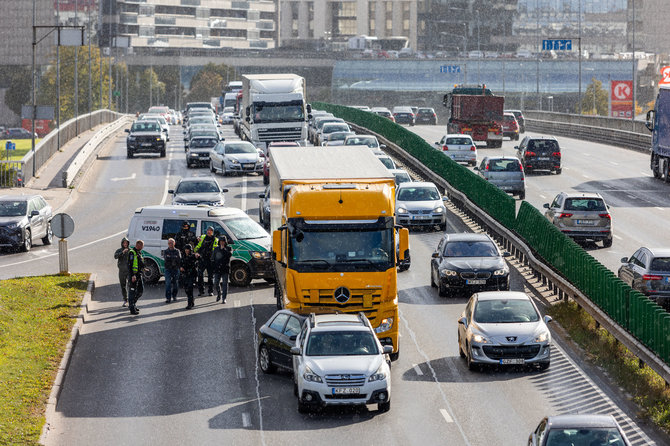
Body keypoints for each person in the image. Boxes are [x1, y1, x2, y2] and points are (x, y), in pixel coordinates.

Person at [195, 226, 218, 296]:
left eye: (211, 230)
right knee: (200, 275)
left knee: (210, 276)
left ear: (212, 232)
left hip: (210, 260)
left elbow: (215, 250)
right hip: (202, 259)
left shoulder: (215, 239)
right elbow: (197, 242)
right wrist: (196, 252)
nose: (209, 231)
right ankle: (201, 291)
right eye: (208, 230)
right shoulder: (203, 237)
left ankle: (210, 291)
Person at [212, 236, 232, 304]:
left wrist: (224, 249)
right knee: (216, 283)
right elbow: (213, 258)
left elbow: (229, 255)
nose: (222, 243)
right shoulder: (216, 249)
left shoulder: (228, 248)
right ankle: (219, 293)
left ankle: (224, 298)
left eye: (223, 241)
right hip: (217, 268)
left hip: (225, 268)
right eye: (221, 241)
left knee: (225, 284)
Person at [127, 240, 146, 315]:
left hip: (139, 275)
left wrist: (144, 268)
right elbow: (129, 265)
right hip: (133, 276)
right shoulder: (132, 252)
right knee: (132, 292)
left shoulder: (139, 252)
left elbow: (140, 263)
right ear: (138, 245)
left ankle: (133, 304)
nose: (142, 247)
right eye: (142, 246)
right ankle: (132, 309)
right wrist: (132, 275)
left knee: (140, 291)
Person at [162, 238, 181, 303]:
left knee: (175, 283)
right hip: (168, 269)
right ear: (168, 244)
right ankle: (168, 298)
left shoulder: (177, 251)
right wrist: (173, 258)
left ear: (174, 243)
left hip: (175, 269)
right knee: (168, 284)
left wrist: (171, 257)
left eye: (172, 243)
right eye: (169, 243)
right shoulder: (165, 251)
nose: (170, 244)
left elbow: (179, 259)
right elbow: (166, 259)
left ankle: (174, 296)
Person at [113, 237, 130, 307]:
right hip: (122, 271)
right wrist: (122, 252)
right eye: (124, 243)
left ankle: (130, 299)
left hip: (129, 271)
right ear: (122, 243)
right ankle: (125, 299)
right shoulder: (119, 250)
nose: (125, 244)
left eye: (126, 243)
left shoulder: (130, 250)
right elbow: (115, 256)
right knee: (123, 286)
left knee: (130, 285)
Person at [180, 244, 198, 309]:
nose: (187, 251)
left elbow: (199, 258)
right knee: (186, 289)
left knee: (190, 288)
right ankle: (192, 299)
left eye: (188, 249)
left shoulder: (193, 256)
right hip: (185, 274)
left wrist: (198, 256)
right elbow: (180, 263)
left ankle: (189, 303)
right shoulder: (183, 256)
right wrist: (181, 267)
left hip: (192, 274)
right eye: (186, 249)